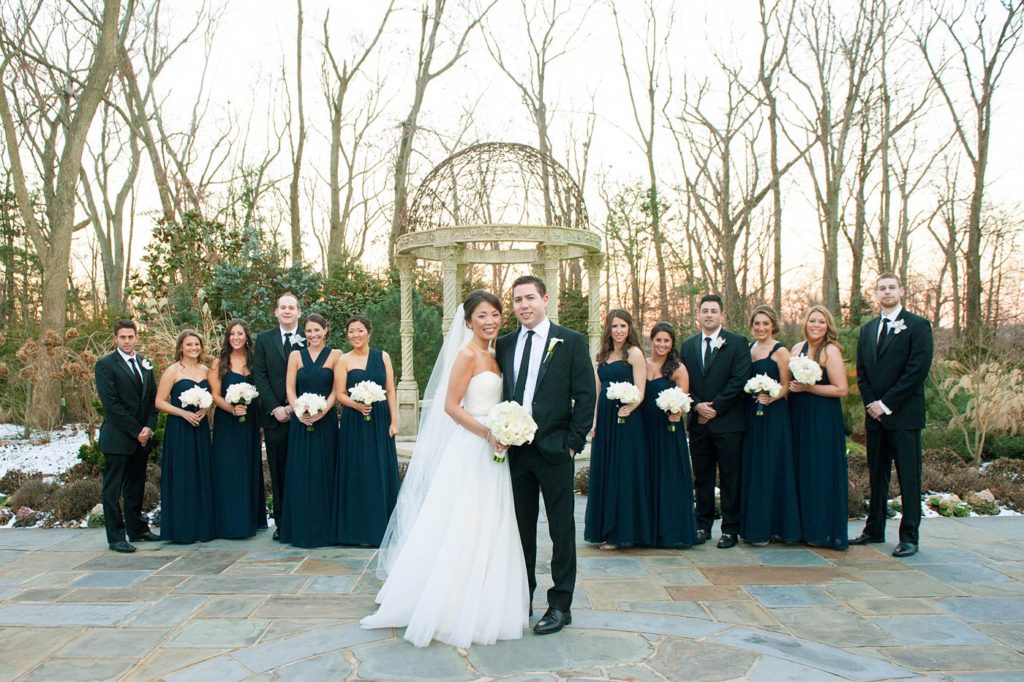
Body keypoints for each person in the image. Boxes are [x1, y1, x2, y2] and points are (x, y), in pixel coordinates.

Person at [362, 290, 529, 648]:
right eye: (482, 316)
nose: (490, 321)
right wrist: (488, 432)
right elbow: (451, 407)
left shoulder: (495, 354)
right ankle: (449, 602)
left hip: (495, 449)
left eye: (495, 315)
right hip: (472, 447)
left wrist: (506, 430)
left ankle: (487, 600)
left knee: (491, 520)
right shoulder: (467, 355)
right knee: (463, 521)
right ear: (468, 321)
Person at [497, 275, 596, 635]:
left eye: (529, 298)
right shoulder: (505, 344)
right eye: (517, 300)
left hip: (555, 451)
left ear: (545, 299)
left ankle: (560, 604)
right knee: (519, 530)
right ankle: (523, 598)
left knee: (561, 529)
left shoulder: (570, 341)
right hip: (515, 453)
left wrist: (572, 442)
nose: (523, 305)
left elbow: (586, 396)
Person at [852, 273, 934, 558]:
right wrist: (872, 404)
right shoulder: (868, 329)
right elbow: (861, 373)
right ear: (876, 294)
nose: (886, 292)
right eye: (881, 288)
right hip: (874, 417)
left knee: (908, 477)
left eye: (891, 288)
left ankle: (909, 536)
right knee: (877, 474)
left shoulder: (918, 326)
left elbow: (917, 370)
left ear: (901, 290)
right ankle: (874, 529)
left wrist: (886, 403)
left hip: (904, 416)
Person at [680, 294, 752, 548]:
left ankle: (731, 529)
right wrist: (697, 405)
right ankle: (702, 526)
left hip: (729, 422)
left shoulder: (737, 343)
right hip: (699, 422)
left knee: (731, 477)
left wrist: (716, 407)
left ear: (722, 315)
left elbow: (739, 380)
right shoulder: (687, 347)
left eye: (713, 311)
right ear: (698, 315)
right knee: (702, 477)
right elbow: (680, 380)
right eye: (704, 310)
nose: (709, 315)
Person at [584, 309, 652, 550]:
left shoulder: (634, 354)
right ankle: (603, 529)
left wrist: (630, 407)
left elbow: (641, 390)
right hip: (605, 420)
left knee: (622, 471)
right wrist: (593, 421)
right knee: (605, 471)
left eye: (623, 326)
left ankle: (621, 532)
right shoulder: (602, 355)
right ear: (609, 329)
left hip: (626, 420)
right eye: (615, 326)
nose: (619, 331)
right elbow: (598, 390)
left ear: (629, 328)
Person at [333, 315, 400, 547]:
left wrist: (394, 421)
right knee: (357, 470)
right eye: (351, 331)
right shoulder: (343, 360)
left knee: (379, 469)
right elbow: (340, 394)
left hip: (380, 420)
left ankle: (382, 529)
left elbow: (390, 390)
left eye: (360, 330)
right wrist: (357, 404)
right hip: (354, 421)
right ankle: (357, 530)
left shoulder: (382, 357)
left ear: (368, 332)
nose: (356, 335)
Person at [94, 319, 159, 553]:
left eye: (131, 337)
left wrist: (149, 428)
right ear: (115, 339)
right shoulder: (105, 365)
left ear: (136, 337)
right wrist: (136, 431)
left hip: (142, 437)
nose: (127, 341)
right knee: (113, 489)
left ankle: (137, 528)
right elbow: (112, 405)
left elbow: (153, 399)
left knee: (136, 485)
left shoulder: (145, 363)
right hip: (118, 437)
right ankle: (115, 537)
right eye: (123, 337)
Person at [789, 306, 849, 551]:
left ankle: (822, 530)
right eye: (812, 320)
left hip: (823, 418)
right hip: (798, 415)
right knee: (801, 469)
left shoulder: (830, 351)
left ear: (828, 326)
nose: (816, 325)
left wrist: (809, 388)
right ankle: (802, 528)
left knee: (820, 470)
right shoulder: (797, 349)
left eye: (821, 322)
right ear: (805, 323)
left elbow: (841, 389)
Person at [740, 306, 800, 546]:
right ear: (752, 325)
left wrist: (771, 396)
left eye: (765, 323)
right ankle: (755, 527)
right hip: (752, 416)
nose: (761, 328)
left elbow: (788, 385)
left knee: (772, 466)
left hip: (774, 416)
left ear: (773, 325)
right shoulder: (749, 349)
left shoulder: (780, 351)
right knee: (755, 467)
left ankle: (777, 527)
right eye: (757, 323)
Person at [279, 313, 340, 549]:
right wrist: (298, 410)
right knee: (301, 471)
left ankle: (325, 530)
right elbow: (289, 387)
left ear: (326, 330)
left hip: (325, 422)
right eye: (309, 331)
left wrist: (323, 411)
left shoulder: (336, 355)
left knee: (325, 469)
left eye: (317, 330)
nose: (313, 335)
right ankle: (300, 529)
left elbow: (337, 389)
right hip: (301, 421)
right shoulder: (296, 355)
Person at [641, 322, 698, 549]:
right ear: (651, 340)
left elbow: (684, 402)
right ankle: (648, 530)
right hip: (645, 429)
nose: (662, 344)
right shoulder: (643, 365)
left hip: (667, 431)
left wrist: (678, 412)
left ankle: (672, 531)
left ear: (672, 343)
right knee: (647, 476)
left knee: (669, 478)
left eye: (666, 340)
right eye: (658, 340)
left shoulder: (678, 369)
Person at [155, 330, 215, 544]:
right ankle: (182, 529)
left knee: (201, 473)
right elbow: (160, 401)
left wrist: (205, 410)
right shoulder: (172, 371)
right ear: (181, 347)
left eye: (197, 344)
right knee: (183, 474)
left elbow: (213, 397)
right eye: (189, 344)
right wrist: (183, 413)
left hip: (199, 428)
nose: (193, 348)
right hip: (180, 428)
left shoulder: (206, 370)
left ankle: (202, 526)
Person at [208, 319, 266, 539]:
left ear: (247, 337)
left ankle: (250, 519)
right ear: (227, 337)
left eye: (240, 334)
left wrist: (260, 422)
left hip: (250, 420)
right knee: (228, 467)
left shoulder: (254, 361)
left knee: (249, 465)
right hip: (227, 420)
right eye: (232, 334)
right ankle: (229, 521)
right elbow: (215, 395)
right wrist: (231, 409)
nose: (236, 338)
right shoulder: (218, 363)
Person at [253, 293, 304, 540]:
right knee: (279, 470)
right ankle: (283, 524)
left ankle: (304, 520)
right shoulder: (263, 340)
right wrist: (275, 407)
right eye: (282, 307)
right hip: (275, 417)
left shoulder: (311, 335)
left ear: (298, 312)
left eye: (291, 307)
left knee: (305, 470)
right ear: (276, 312)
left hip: (306, 416)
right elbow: (260, 376)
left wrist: (300, 406)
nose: (286, 311)